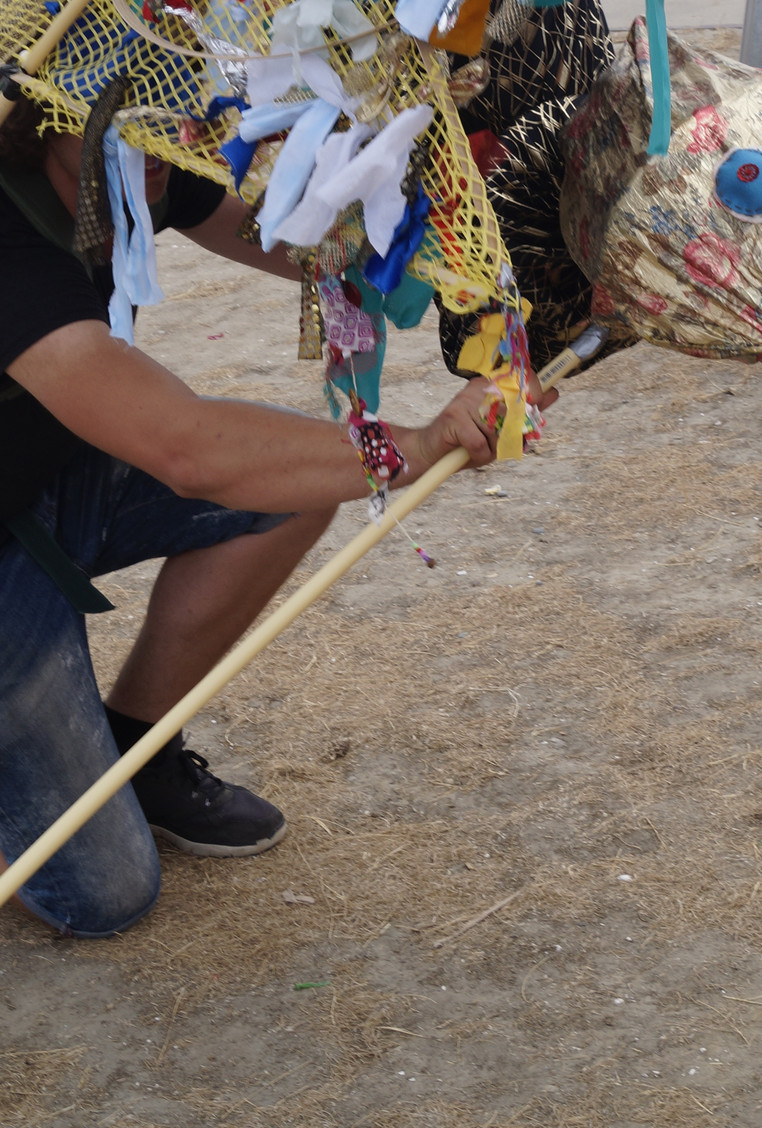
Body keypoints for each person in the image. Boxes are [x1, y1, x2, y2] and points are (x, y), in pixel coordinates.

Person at [0, 93, 534, 940]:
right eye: (113, 112)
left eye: (170, 106)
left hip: (49, 478)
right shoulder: (14, 226)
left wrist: (457, 243)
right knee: (104, 897)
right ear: (40, 110)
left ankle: (134, 745)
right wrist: (418, 443)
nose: (160, 138)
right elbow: (187, 449)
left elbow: (313, 251)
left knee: (292, 486)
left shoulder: (141, 162)